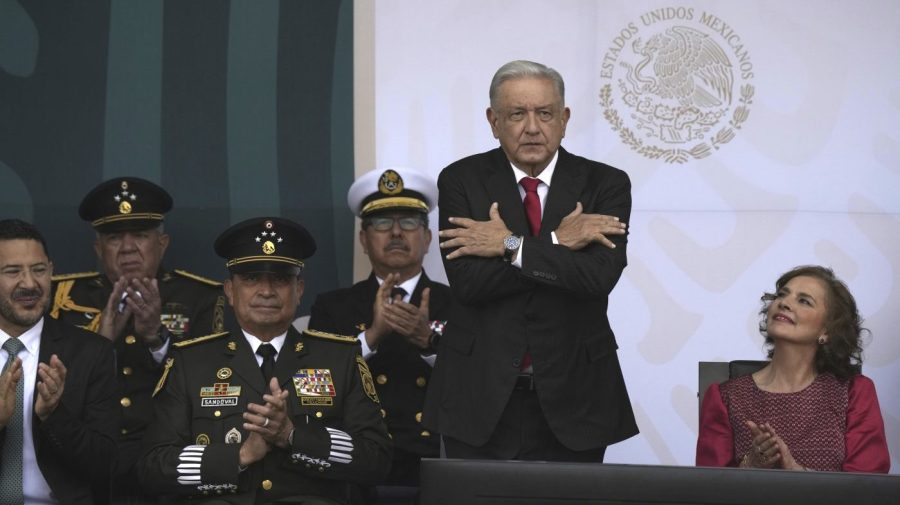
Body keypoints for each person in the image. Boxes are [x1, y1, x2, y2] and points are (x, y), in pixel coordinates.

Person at [424, 60, 638, 461]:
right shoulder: (461, 180)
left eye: (544, 113)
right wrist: (560, 242)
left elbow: (596, 278)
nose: (533, 127)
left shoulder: (605, 184)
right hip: (479, 395)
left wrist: (507, 246)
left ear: (564, 118)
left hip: (577, 397)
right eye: (517, 114)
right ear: (493, 120)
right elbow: (470, 282)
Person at [138, 216, 392, 504]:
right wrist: (240, 455)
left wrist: (294, 436)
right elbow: (153, 467)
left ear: (298, 290)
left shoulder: (340, 358)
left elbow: (377, 459)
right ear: (230, 292)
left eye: (281, 279)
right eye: (251, 278)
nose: (267, 291)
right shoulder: (190, 362)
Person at [48, 176, 226, 501]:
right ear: (98, 249)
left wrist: (156, 338)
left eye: (141, 236)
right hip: (85, 458)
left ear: (162, 243)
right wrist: (100, 344)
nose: (128, 247)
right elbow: (47, 392)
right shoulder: (62, 297)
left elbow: (211, 388)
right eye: (114, 237)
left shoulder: (201, 297)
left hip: (164, 460)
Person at [308, 167, 450, 491]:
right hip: (356, 463)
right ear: (363, 239)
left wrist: (427, 341)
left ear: (427, 238)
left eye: (410, 222)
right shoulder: (333, 307)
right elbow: (314, 388)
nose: (396, 233)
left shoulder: (457, 304)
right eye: (383, 223)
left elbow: (478, 383)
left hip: (432, 461)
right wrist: (371, 336)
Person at [696, 265, 890, 472]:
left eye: (804, 301)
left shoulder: (853, 392)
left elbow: (866, 488)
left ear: (827, 330)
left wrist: (796, 471)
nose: (784, 303)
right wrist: (751, 465)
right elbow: (709, 490)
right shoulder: (725, 396)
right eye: (781, 295)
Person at [0, 218, 119, 504]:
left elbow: (106, 466)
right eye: (13, 271)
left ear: (51, 271)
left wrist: (55, 415)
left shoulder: (90, 353)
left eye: (39, 270)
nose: (29, 283)